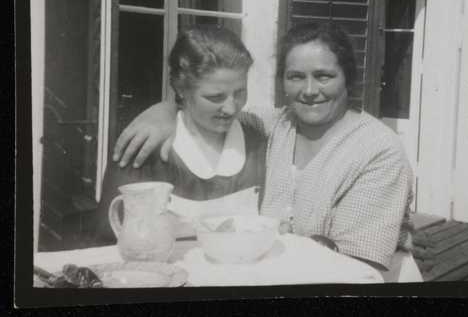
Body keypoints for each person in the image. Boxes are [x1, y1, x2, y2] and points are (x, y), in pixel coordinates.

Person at [112, 22, 421, 281]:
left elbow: (359, 266)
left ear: (347, 78)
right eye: (296, 76)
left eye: (324, 76)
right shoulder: (273, 125)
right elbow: (209, 111)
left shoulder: (378, 150)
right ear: (283, 82)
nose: (310, 90)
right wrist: (166, 110)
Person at [93, 26, 267, 244]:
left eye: (240, 93)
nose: (231, 108)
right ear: (182, 89)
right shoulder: (145, 148)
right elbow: (108, 239)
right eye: (215, 97)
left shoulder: (257, 141)